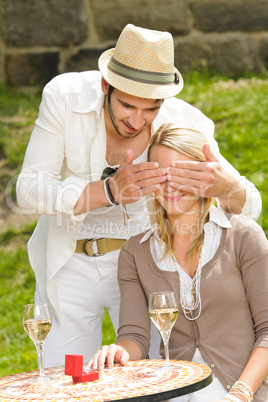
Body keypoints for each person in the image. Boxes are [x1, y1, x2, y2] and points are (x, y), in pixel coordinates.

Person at [16, 24, 261, 368]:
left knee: (150, 374)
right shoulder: (64, 97)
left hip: (141, 267)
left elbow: (250, 207)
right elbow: (27, 191)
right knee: (63, 375)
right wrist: (108, 191)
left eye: (151, 109)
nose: (137, 120)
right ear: (105, 85)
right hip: (68, 258)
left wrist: (228, 188)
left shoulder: (185, 122)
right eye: (128, 105)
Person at [89, 122, 268, 402]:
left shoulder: (244, 236)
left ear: (205, 174)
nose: (171, 186)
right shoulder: (135, 252)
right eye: (161, 175)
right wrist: (119, 351)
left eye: (182, 173)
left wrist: (240, 395)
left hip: (244, 393)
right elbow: (135, 336)